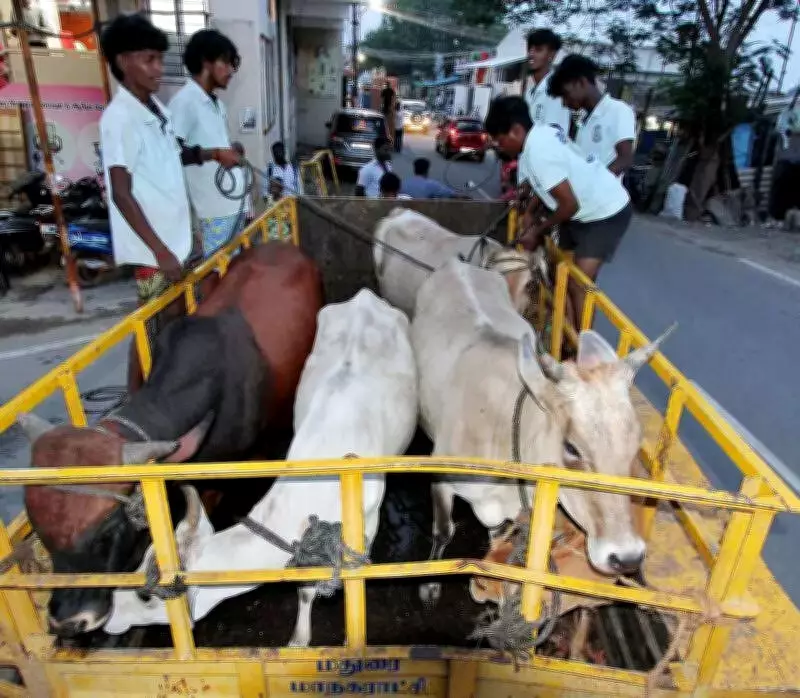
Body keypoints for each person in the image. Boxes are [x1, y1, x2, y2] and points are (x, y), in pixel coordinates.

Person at [99, 13, 239, 391]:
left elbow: (180, 156)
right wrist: (159, 251)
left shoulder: (156, 110)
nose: (158, 68)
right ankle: (134, 398)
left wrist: (214, 154)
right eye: (149, 59)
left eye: (160, 59)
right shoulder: (120, 118)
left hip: (176, 240)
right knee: (150, 326)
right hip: (154, 250)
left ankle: (167, 388)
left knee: (174, 319)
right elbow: (121, 191)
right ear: (122, 61)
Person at [484, 95, 632, 341]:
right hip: (582, 208)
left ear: (516, 131)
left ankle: (583, 345)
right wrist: (529, 207)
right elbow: (544, 187)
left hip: (605, 211)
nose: (500, 147)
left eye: (500, 141)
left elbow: (568, 205)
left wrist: (537, 230)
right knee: (560, 269)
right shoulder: (537, 138)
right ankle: (568, 331)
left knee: (578, 283)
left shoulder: (539, 152)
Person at [169, 29, 242, 260]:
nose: (230, 71)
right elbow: (172, 153)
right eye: (225, 62)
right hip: (215, 213)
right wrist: (216, 154)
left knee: (235, 278)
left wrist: (231, 150)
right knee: (221, 281)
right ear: (206, 62)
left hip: (233, 207)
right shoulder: (185, 102)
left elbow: (213, 145)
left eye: (232, 64)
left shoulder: (217, 105)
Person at [549, 54, 635, 178]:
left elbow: (625, 159)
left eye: (566, 94)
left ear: (581, 82)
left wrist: (594, 183)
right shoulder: (583, 121)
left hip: (605, 195)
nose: (564, 103)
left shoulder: (618, 110)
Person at [524, 29, 571, 137]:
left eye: (538, 50)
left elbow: (556, 135)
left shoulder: (556, 91)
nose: (531, 54)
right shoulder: (530, 93)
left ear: (552, 55)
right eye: (530, 49)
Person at [400, 157, 469, 199]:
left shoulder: (403, 183)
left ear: (414, 169)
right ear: (427, 170)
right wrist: (467, 197)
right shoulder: (432, 185)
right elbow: (452, 195)